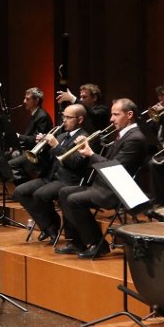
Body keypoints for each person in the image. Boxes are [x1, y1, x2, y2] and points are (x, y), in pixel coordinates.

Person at [59, 99, 148, 259]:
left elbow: (115, 168)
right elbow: (106, 159)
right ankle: (76, 241)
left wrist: (91, 154)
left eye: (115, 114)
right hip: (103, 185)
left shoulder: (135, 138)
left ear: (129, 115)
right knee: (64, 192)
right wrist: (88, 149)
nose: (111, 119)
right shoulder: (124, 135)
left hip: (116, 191)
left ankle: (98, 244)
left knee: (74, 199)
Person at [11, 104, 89, 248]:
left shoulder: (84, 137)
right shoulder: (62, 135)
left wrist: (56, 146)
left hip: (68, 180)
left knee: (41, 194)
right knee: (20, 192)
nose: (64, 120)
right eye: (63, 116)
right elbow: (48, 160)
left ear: (80, 119)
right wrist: (42, 147)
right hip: (50, 176)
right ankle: (49, 228)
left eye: (68, 117)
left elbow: (75, 163)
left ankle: (53, 227)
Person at [9, 87, 53, 183]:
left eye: (27, 99)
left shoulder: (42, 116)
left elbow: (38, 140)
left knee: (9, 165)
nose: (24, 101)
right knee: (6, 157)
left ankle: (25, 188)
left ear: (36, 101)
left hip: (40, 156)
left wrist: (18, 136)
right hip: (30, 150)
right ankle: (25, 188)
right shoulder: (36, 114)